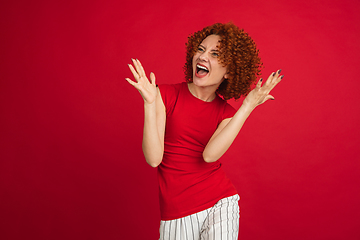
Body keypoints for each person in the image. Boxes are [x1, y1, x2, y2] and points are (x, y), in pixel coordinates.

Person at [125, 22, 283, 240]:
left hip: (220, 202)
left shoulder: (226, 114)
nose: (203, 56)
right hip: (176, 212)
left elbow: (210, 155)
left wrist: (248, 105)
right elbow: (153, 159)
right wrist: (150, 104)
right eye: (200, 49)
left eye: (215, 54)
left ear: (229, 72)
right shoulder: (165, 95)